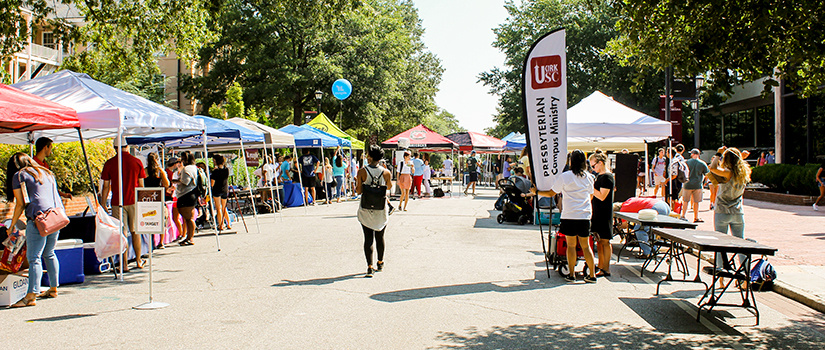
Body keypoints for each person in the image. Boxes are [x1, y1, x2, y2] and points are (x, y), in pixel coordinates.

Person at [5, 153, 64, 307]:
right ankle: (53, 289)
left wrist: (12, 225)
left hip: (38, 220)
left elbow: (20, 203)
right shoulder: (46, 172)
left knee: (34, 257)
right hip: (55, 217)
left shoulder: (19, 176)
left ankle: (31, 295)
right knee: (49, 253)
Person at [538, 150, 597, 283]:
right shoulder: (589, 177)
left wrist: (536, 191)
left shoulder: (565, 176)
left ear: (571, 161)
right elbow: (591, 195)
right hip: (584, 215)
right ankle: (592, 275)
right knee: (586, 246)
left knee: (571, 246)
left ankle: (571, 274)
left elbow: (551, 193)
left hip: (569, 214)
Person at [99, 137, 147, 271]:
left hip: (117, 202)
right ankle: (138, 260)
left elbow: (106, 186)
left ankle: (124, 264)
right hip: (134, 201)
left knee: (122, 233)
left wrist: (103, 202)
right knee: (136, 231)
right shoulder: (137, 162)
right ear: (127, 146)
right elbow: (142, 185)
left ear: (114, 148)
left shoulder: (109, 163)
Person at [709, 147, 751, 271]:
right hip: (738, 212)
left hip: (722, 211)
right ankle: (745, 274)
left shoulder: (726, 173)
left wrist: (718, 153)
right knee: (740, 244)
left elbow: (712, 168)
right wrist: (739, 157)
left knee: (720, 244)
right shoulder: (745, 173)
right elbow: (738, 165)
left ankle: (720, 273)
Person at [356, 145, 392, 278]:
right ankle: (380, 262)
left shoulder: (361, 172)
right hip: (380, 208)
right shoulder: (386, 172)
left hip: (366, 208)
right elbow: (388, 187)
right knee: (380, 236)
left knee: (368, 238)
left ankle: (369, 267)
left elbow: (359, 191)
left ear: (370, 157)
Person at [590, 151, 615, 278]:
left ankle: (606, 267)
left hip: (604, 212)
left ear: (600, 163)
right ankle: (601, 265)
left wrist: (590, 187)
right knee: (599, 241)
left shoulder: (607, 177)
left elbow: (602, 196)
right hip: (598, 212)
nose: (592, 169)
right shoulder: (600, 176)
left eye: (593, 166)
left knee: (605, 241)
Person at [172, 151, 199, 246]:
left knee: (188, 218)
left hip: (186, 194)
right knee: (189, 218)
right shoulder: (194, 168)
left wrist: (175, 181)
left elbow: (185, 182)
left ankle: (190, 237)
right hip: (191, 194)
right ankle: (189, 237)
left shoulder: (187, 169)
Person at [144, 153, 170, 248]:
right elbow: (167, 184)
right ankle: (161, 242)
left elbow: (141, 184)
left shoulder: (145, 171)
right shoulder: (160, 171)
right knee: (161, 220)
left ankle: (150, 242)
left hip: (147, 197)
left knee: (148, 219)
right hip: (158, 197)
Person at [682, 149, 709, 222]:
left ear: (692, 154)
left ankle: (683, 216)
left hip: (687, 184)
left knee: (685, 201)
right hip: (698, 185)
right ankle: (696, 217)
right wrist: (703, 182)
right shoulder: (702, 163)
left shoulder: (687, 162)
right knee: (696, 202)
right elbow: (707, 174)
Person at [211, 154, 231, 231]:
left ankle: (221, 224)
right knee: (224, 207)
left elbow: (212, 183)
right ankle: (228, 223)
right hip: (225, 189)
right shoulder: (226, 170)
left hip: (217, 190)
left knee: (218, 208)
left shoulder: (215, 171)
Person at [666, 144, 687, 209]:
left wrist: (666, 180)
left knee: (674, 198)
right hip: (676, 182)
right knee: (674, 198)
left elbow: (674, 175)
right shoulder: (678, 159)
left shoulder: (674, 161)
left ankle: (675, 210)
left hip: (674, 182)